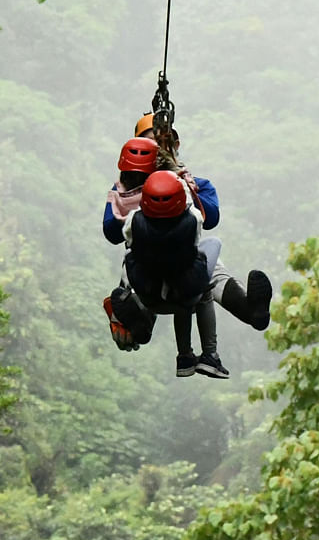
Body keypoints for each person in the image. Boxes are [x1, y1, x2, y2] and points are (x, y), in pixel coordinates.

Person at [104, 117, 272, 333]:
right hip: (146, 262)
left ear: (175, 146)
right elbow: (111, 231)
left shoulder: (194, 183)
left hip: (185, 260)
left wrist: (182, 189)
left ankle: (251, 309)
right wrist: (143, 199)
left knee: (215, 269)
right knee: (134, 271)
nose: (159, 150)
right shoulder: (124, 190)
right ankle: (137, 323)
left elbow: (210, 217)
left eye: (164, 143)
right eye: (152, 144)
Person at [121, 169, 228, 378]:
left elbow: (128, 240)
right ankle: (210, 356)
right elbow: (196, 231)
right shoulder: (193, 219)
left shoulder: (134, 220)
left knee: (129, 255)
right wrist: (185, 183)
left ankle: (184, 356)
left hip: (149, 291)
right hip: (186, 290)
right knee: (205, 272)